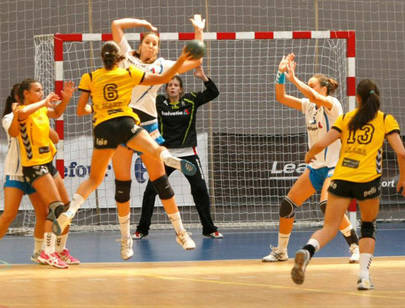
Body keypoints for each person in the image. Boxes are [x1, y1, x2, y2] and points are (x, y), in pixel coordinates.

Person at [55, 41, 198, 260]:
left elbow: (81, 110)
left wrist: (99, 106)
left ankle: (72, 211)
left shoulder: (90, 77)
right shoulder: (129, 73)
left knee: (94, 179)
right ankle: (168, 157)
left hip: (103, 127)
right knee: (155, 155)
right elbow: (161, 79)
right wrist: (180, 60)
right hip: (128, 123)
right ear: (120, 59)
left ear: (102, 58)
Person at [291, 79, 405, 290]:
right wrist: (403, 178)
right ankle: (363, 277)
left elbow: (322, 142)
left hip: (342, 177)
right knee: (368, 227)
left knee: (330, 227)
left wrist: (309, 154)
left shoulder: (346, 118)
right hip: (367, 180)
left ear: (358, 99)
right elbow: (401, 152)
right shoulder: (385, 119)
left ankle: (307, 250)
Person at [110, 15, 204, 252]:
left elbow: (195, 59)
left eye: (155, 43)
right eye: (149, 42)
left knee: (161, 182)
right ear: (140, 44)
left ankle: (181, 233)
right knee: (123, 186)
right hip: (123, 122)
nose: (152, 46)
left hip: (148, 125)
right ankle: (125, 239)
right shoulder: (126, 57)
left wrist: (198, 31)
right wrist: (144, 24)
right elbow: (116, 25)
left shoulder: (162, 65)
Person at [263, 54, 360, 263]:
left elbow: (315, 97)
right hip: (315, 168)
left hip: (336, 166)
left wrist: (294, 79)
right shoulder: (308, 106)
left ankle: (355, 246)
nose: (309, 88)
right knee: (287, 205)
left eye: (312, 85)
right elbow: (281, 97)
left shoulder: (332, 104)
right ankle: (281, 251)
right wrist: (281, 74)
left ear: (323, 88)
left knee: (327, 205)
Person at [134, 66, 222, 239]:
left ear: (181, 89)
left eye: (175, 85)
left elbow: (213, 92)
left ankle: (209, 228)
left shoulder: (191, 100)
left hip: (188, 153)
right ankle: (142, 229)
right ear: (166, 89)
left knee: (200, 189)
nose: (172, 87)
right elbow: (141, 99)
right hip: (164, 155)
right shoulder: (158, 102)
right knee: (151, 191)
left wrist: (203, 76)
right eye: (169, 85)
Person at [1, 84, 79, 266]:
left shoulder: (39, 113)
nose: (41, 93)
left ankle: (41, 252)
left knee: (47, 213)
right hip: (18, 173)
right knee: (9, 214)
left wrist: (62, 102)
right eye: (37, 91)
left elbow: (54, 135)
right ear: (22, 97)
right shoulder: (10, 117)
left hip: (41, 167)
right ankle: (47, 252)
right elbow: (15, 130)